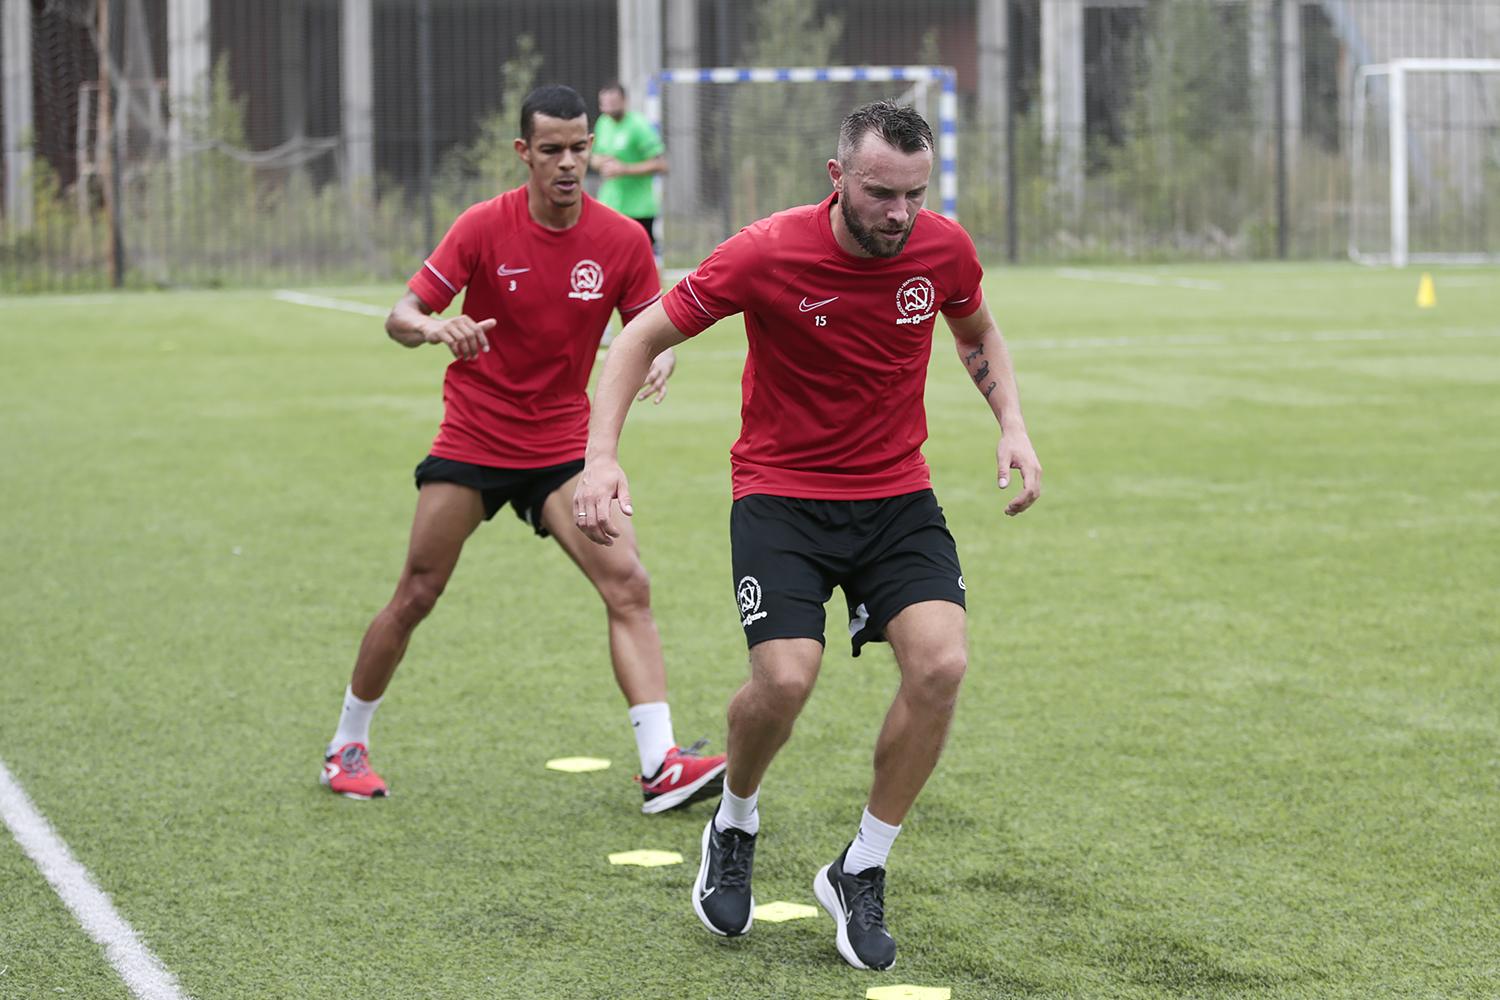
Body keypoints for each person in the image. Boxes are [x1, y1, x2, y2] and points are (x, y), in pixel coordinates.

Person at [573, 101, 1042, 971]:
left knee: (941, 665)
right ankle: (735, 819)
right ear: (837, 178)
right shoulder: (766, 252)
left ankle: (861, 866)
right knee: (785, 679)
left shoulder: (943, 248)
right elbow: (639, 337)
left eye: (914, 195)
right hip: (781, 497)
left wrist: (1011, 423)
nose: (899, 214)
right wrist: (601, 459)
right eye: (880, 194)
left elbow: (976, 330)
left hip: (896, 496)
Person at [320, 85, 725, 816]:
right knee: (417, 592)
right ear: (524, 153)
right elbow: (401, 314)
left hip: (564, 446)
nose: (569, 163)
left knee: (628, 584)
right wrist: (435, 328)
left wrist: (663, 357)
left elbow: (650, 330)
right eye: (552, 150)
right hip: (476, 435)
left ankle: (661, 765)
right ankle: (346, 745)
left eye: (579, 148)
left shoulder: (622, 241)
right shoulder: (482, 226)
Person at [593, 82, 668, 258]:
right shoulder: (602, 123)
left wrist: (624, 169)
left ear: (624, 101)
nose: (608, 108)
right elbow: (594, 157)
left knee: (641, 259)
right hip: (610, 205)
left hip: (639, 209)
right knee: (609, 257)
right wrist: (601, 163)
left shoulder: (639, 125)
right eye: (604, 104)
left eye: (613, 103)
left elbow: (661, 164)